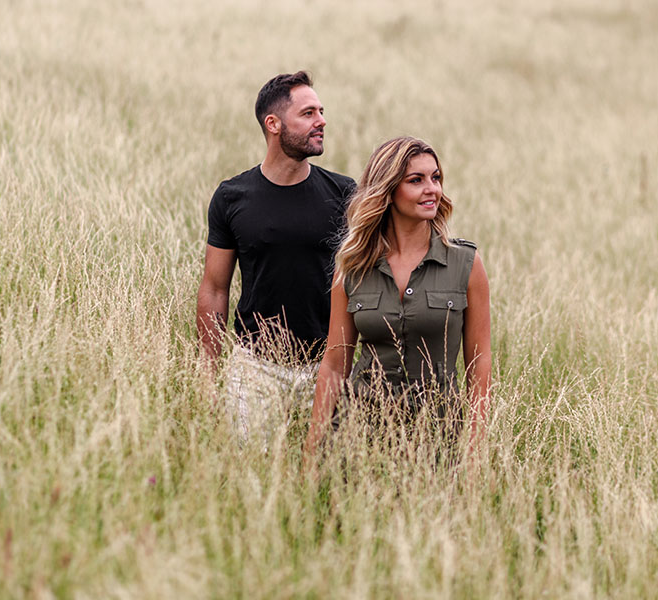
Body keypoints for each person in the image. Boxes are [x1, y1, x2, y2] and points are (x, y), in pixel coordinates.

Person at [304, 136, 491, 457]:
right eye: (416, 180)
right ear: (387, 191)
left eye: (436, 178)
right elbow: (335, 366)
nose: (432, 189)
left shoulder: (466, 263)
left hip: (438, 436)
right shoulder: (352, 267)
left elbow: (479, 364)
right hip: (359, 435)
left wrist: (475, 451)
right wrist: (313, 451)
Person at [197, 71, 355, 441]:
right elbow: (215, 288)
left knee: (321, 475)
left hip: (326, 365)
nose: (322, 121)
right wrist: (208, 371)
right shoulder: (232, 197)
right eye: (309, 113)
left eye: (321, 111)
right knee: (251, 473)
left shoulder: (345, 194)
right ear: (274, 124)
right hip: (255, 367)